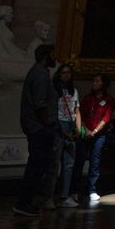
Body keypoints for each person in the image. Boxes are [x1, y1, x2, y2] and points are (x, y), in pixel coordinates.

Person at [13, 44, 58, 218]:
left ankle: (25, 202)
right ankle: (23, 203)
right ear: (46, 56)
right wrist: (47, 125)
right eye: (53, 54)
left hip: (38, 128)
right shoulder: (40, 74)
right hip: (39, 129)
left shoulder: (40, 73)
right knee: (36, 167)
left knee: (37, 166)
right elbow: (40, 104)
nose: (55, 57)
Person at [76, 74, 113, 204]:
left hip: (99, 135)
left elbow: (106, 118)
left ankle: (91, 189)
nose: (94, 83)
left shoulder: (108, 100)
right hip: (85, 133)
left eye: (98, 81)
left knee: (95, 162)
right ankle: (75, 190)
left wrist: (95, 131)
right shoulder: (87, 98)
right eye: (94, 80)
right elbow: (81, 114)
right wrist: (85, 130)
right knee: (79, 160)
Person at [52, 62, 82, 208]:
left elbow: (77, 111)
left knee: (69, 163)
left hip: (70, 126)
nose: (66, 75)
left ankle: (64, 196)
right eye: (63, 73)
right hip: (59, 126)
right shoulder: (54, 90)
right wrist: (62, 131)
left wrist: (78, 129)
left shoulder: (73, 91)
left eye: (68, 73)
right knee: (54, 163)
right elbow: (52, 112)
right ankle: (49, 196)